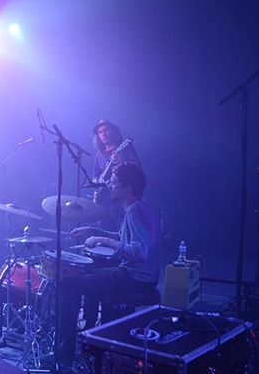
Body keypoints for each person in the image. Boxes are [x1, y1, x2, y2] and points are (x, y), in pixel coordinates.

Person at [59, 163, 159, 364]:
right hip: (140, 276)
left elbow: (140, 252)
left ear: (127, 187)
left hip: (135, 278)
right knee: (90, 273)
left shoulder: (133, 211)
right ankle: (95, 337)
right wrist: (94, 231)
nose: (109, 186)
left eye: (114, 182)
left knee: (66, 285)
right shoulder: (140, 207)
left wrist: (105, 241)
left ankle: (66, 353)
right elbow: (124, 239)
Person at [91, 119, 140, 231]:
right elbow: (95, 175)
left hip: (120, 197)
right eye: (100, 132)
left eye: (106, 130)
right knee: (103, 229)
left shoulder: (125, 148)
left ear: (113, 131)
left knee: (121, 230)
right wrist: (95, 184)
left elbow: (137, 167)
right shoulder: (99, 155)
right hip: (103, 199)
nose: (103, 134)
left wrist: (122, 162)